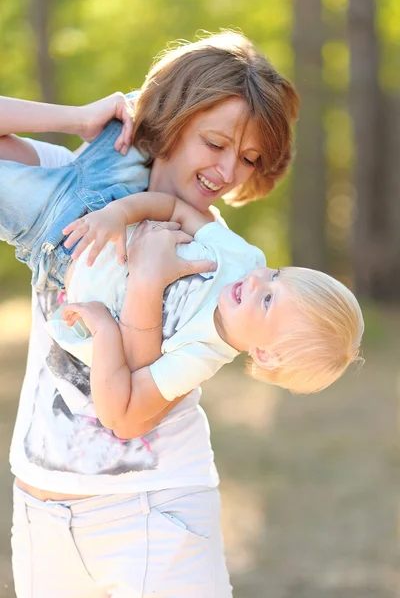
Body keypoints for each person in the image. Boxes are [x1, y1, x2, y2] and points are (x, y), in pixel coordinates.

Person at [0, 31, 358, 598]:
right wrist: (76, 118)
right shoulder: (72, 183)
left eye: (247, 158)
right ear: (173, 123)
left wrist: (145, 280)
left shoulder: (226, 270)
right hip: (42, 512)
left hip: (155, 514)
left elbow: (133, 411)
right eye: (214, 143)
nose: (228, 171)